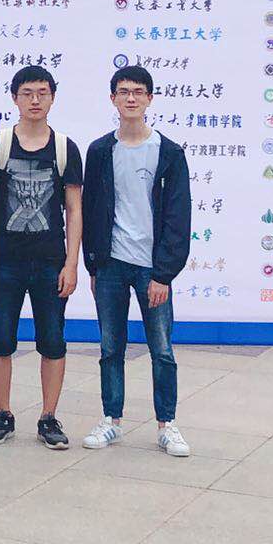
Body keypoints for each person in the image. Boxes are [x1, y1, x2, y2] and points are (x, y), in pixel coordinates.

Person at [81, 65, 193, 457]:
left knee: (162, 350)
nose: (131, 98)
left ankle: (167, 425)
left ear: (149, 99)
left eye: (139, 92)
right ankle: (111, 420)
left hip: (152, 268)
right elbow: (90, 209)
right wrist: (93, 265)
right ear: (113, 98)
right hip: (111, 264)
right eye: (124, 91)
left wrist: (164, 274)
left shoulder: (169, 153)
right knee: (111, 347)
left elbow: (178, 217)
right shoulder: (99, 151)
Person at [0, 65, 83, 451]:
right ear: (15, 98)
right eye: (27, 93)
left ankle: (48, 417)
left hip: (51, 262)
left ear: (53, 97)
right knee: (1, 337)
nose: (35, 100)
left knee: (52, 340)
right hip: (4, 261)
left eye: (42, 93)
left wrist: (71, 264)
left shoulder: (65, 148)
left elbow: (74, 208)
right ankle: (3, 414)